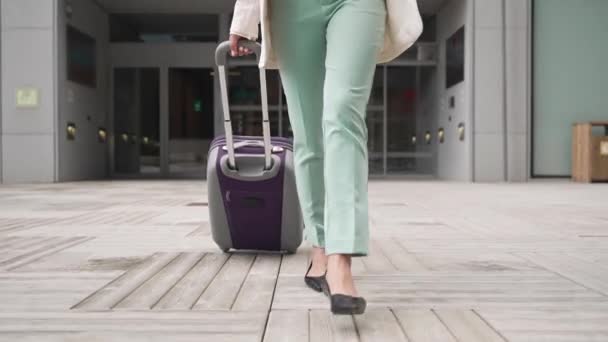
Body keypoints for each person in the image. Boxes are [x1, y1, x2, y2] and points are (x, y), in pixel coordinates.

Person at [229, 0, 422, 315]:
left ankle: (340, 259)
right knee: (309, 133)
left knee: (343, 114)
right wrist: (244, 19)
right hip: (291, 9)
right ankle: (320, 246)